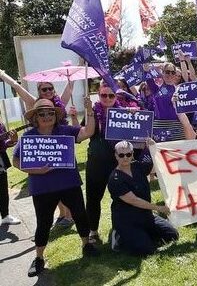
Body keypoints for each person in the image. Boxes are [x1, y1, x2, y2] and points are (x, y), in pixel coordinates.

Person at [13, 98, 98, 277]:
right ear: (35, 118)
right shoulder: (28, 137)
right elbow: (16, 161)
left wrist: (89, 110)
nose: (46, 116)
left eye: (50, 113)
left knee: (80, 215)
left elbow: (89, 131)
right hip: (42, 187)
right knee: (43, 223)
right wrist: (37, 170)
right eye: (41, 114)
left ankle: (86, 244)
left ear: (55, 115)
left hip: (69, 183)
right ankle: (39, 258)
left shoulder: (65, 131)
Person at [108, 140, 178, 256]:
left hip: (146, 215)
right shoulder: (115, 179)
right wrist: (158, 208)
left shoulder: (138, 167)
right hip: (127, 220)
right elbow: (134, 200)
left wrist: (152, 146)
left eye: (128, 154)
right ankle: (119, 236)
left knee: (172, 235)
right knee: (146, 251)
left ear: (132, 154)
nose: (125, 158)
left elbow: (157, 162)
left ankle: (143, 234)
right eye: (121, 155)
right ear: (115, 155)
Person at [84, 83, 124, 244]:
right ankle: (93, 231)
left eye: (111, 95)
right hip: (97, 162)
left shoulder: (124, 113)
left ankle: (120, 228)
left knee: (120, 197)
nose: (107, 99)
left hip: (118, 161)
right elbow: (85, 133)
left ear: (116, 97)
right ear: (98, 96)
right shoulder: (92, 112)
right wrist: (87, 113)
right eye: (103, 95)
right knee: (94, 198)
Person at [1, 117, 21, 225]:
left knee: (3, 189)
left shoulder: (1, 126)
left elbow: (4, 143)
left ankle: (5, 215)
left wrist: (13, 140)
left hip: (0, 162)